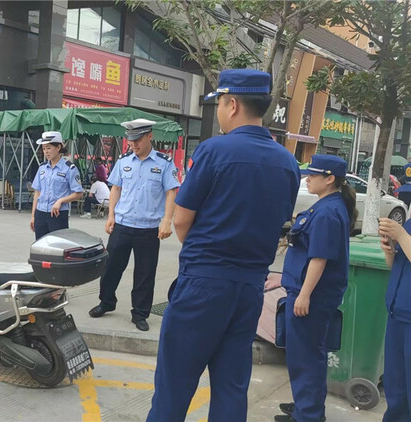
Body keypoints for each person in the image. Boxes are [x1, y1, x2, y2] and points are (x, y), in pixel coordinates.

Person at [147, 70, 301, 421]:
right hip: (250, 287)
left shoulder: (214, 150)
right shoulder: (288, 163)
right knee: (232, 387)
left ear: (232, 104)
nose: (218, 111)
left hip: (204, 284)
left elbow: (182, 219)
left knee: (175, 383)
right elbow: (278, 223)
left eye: (218, 103)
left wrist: (206, 255)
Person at [277, 155, 355, 422]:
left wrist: (304, 294)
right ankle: (305, 405)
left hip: (313, 296)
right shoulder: (326, 206)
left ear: (330, 179)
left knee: (306, 357)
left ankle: (308, 414)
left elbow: (319, 258)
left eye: (313, 174)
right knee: (306, 354)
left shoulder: (327, 212)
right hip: (307, 291)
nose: (307, 178)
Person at [88, 119, 180, 332]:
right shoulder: (124, 161)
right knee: (111, 268)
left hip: (148, 228)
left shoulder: (164, 163)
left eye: (137, 140)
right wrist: (110, 215)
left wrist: (167, 220)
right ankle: (106, 302)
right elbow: (116, 189)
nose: (133, 145)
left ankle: (139, 313)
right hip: (122, 224)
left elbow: (171, 192)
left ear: (150, 136)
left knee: (145, 273)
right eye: (130, 141)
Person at [378, 216, 411, 422]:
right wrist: (389, 250)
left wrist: (401, 235)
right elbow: (397, 265)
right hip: (398, 313)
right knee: (396, 389)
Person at [29, 131, 84, 239]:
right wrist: (33, 216)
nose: (46, 152)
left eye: (48, 148)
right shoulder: (42, 168)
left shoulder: (69, 168)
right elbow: (38, 193)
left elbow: (78, 193)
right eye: (44, 148)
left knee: (58, 248)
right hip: (41, 213)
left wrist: (61, 201)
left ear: (58, 147)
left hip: (57, 215)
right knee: (40, 248)